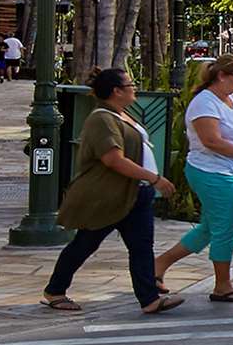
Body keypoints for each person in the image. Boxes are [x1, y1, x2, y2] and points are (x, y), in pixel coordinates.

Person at [43, 66, 179, 316]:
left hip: (135, 194)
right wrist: (154, 178)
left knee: (141, 247)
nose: (134, 88)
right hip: (109, 196)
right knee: (85, 243)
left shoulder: (121, 114)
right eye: (129, 85)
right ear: (116, 91)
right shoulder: (102, 119)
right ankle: (55, 290)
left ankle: (149, 299)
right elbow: (113, 159)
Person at [154, 53, 233, 304]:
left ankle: (158, 266)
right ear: (220, 76)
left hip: (230, 172)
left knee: (209, 229)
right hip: (211, 171)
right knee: (227, 227)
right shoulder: (205, 102)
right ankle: (222, 285)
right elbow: (212, 141)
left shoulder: (232, 99)